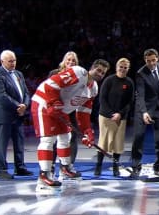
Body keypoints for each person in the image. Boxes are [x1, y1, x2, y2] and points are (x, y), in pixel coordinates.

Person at [31, 61, 109, 190]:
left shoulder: (94, 88)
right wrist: (53, 102)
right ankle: (44, 175)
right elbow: (51, 84)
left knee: (66, 137)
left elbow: (83, 112)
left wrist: (87, 131)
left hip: (60, 109)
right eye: (98, 70)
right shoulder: (78, 72)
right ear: (92, 68)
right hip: (44, 103)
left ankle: (65, 168)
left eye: (103, 72)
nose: (100, 74)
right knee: (48, 140)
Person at [0, 50, 33, 180]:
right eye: (10, 61)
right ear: (2, 61)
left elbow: (26, 93)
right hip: (4, 115)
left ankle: (20, 167)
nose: (13, 63)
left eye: (14, 60)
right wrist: (17, 106)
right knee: (2, 144)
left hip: (18, 115)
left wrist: (24, 105)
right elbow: (1, 96)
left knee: (19, 142)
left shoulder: (19, 74)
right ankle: (1, 170)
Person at [130, 49, 159, 178]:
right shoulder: (141, 73)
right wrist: (144, 112)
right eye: (148, 61)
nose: (151, 63)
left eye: (153, 60)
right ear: (145, 60)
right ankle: (136, 166)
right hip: (143, 109)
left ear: (157, 58)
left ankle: (158, 167)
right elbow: (140, 95)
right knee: (138, 137)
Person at [94, 58, 134, 177]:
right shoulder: (109, 80)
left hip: (121, 118)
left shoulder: (129, 82)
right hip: (106, 116)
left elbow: (130, 102)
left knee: (118, 143)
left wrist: (120, 114)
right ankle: (98, 166)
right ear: (116, 67)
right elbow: (102, 99)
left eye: (125, 67)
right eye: (120, 67)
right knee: (103, 142)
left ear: (128, 69)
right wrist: (112, 114)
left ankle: (115, 167)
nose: (122, 69)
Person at [47, 51, 80, 177]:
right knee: (54, 140)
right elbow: (48, 91)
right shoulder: (54, 74)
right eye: (68, 60)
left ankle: (67, 166)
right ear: (64, 61)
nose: (71, 62)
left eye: (73, 60)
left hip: (70, 111)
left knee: (72, 138)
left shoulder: (78, 76)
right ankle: (50, 167)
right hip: (56, 112)